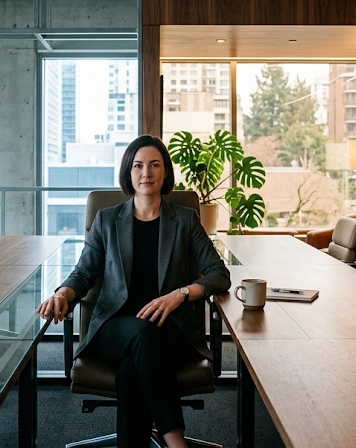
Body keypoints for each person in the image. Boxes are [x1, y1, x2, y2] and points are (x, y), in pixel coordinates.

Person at [37, 135, 230, 448]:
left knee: (131, 371)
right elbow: (84, 272)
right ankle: (175, 441)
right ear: (128, 172)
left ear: (165, 172)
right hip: (115, 327)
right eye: (138, 165)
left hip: (172, 328)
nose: (146, 172)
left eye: (155, 165)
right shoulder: (108, 220)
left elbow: (219, 275)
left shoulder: (184, 220)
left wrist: (179, 294)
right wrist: (63, 294)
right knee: (141, 334)